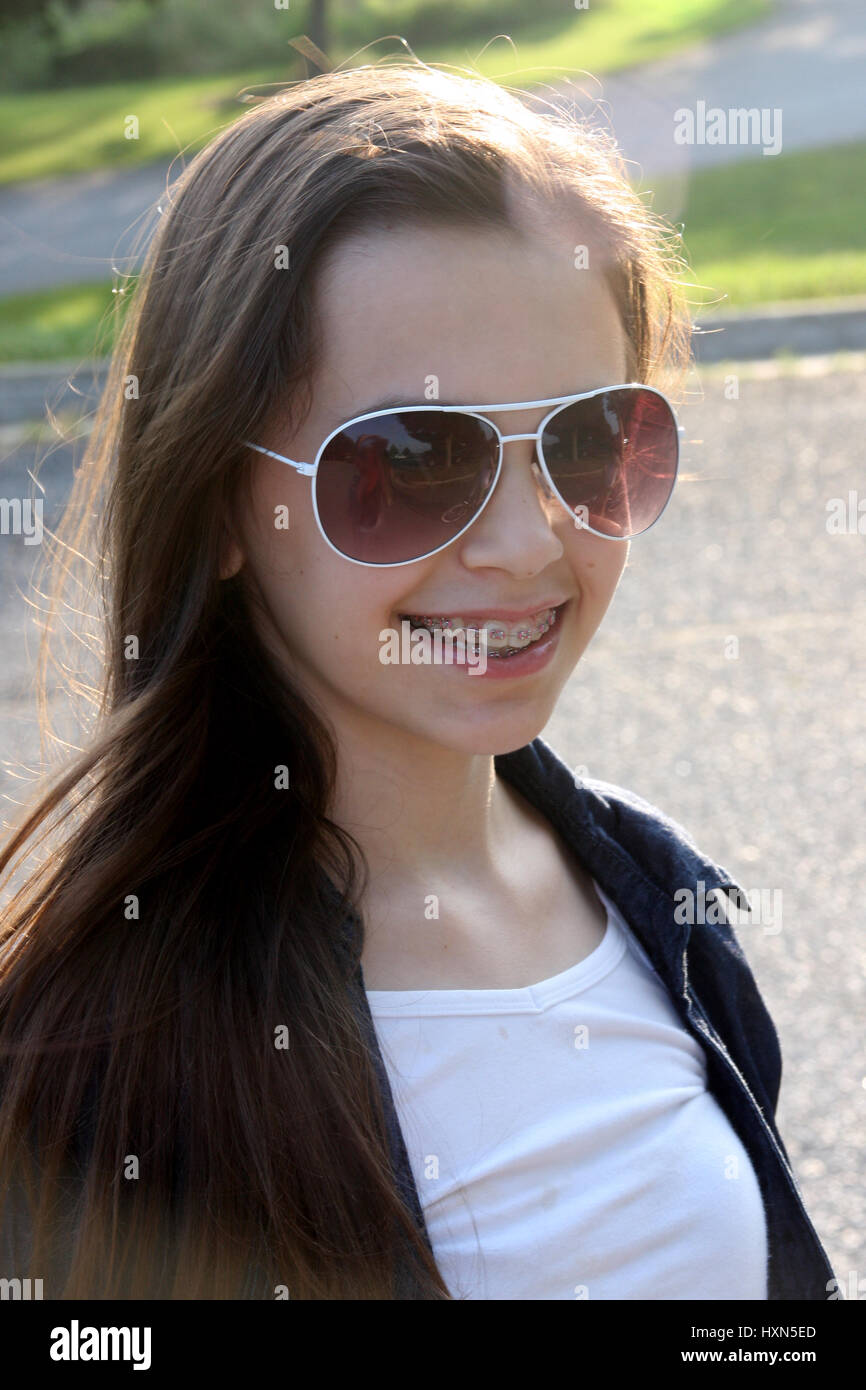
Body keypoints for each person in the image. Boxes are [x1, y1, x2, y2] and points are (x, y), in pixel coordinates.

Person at [0, 60, 836, 1300]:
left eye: (591, 439)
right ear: (223, 501)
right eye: (407, 459)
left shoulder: (663, 896)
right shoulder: (92, 1050)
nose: (525, 542)